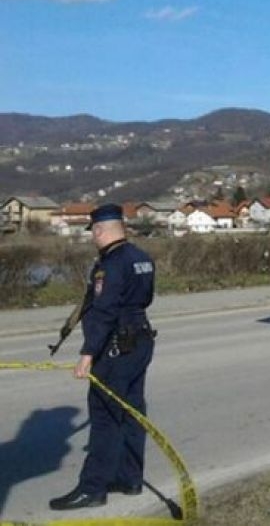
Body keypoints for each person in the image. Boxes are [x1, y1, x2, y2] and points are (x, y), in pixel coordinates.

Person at [50, 204, 156, 511]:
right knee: (133, 412)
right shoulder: (141, 257)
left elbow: (104, 311)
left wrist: (87, 354)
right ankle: (130, 478)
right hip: (140, 340)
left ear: (99, 230)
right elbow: (146, 298)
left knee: (105, 416)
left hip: (115, 347)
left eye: (93, 232)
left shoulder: (109, 265)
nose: (92, 238)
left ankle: (92, 489)